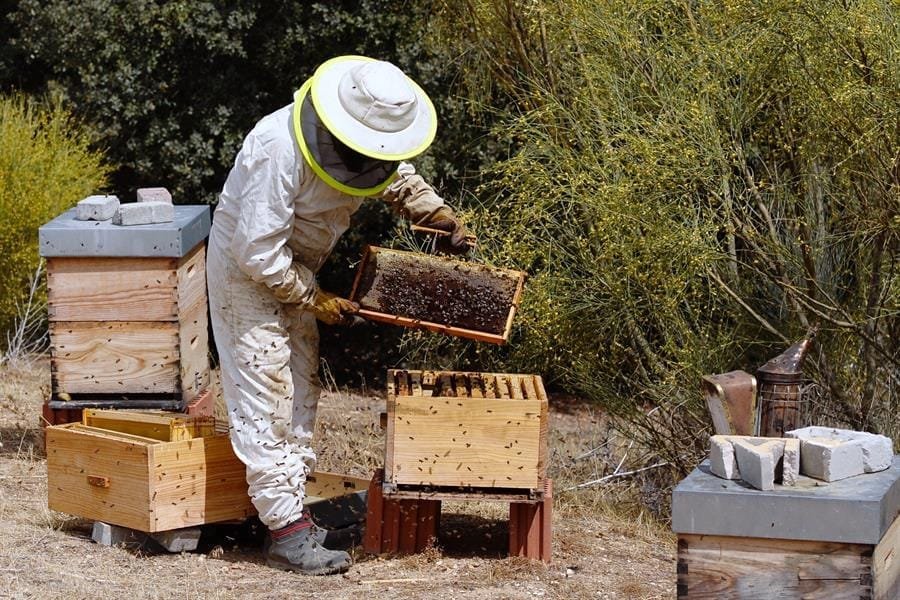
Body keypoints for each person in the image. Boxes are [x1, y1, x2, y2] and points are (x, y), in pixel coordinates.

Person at [206, 55, 469, 575]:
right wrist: (313, 297)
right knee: (266, 392)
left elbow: (391, 170)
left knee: (301, 388)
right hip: (247, 273)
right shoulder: (278, 146)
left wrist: (430, 210)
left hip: (299, 269)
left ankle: (289, 514)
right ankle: (285, 531)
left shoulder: (366, 147)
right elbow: (256, 252)